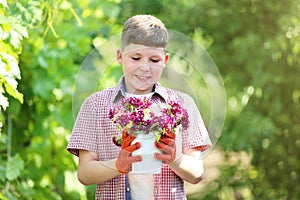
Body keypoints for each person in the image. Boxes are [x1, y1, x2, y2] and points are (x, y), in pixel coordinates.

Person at [67, 14, 212, 199]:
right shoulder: (96, 106)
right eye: (136, 58)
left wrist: (175, 159)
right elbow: (85, 173)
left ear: (165, 60)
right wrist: (117, 165)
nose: (145, 67)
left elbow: (197, 173)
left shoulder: (182, 104)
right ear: (120, 56)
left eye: (154, 60)